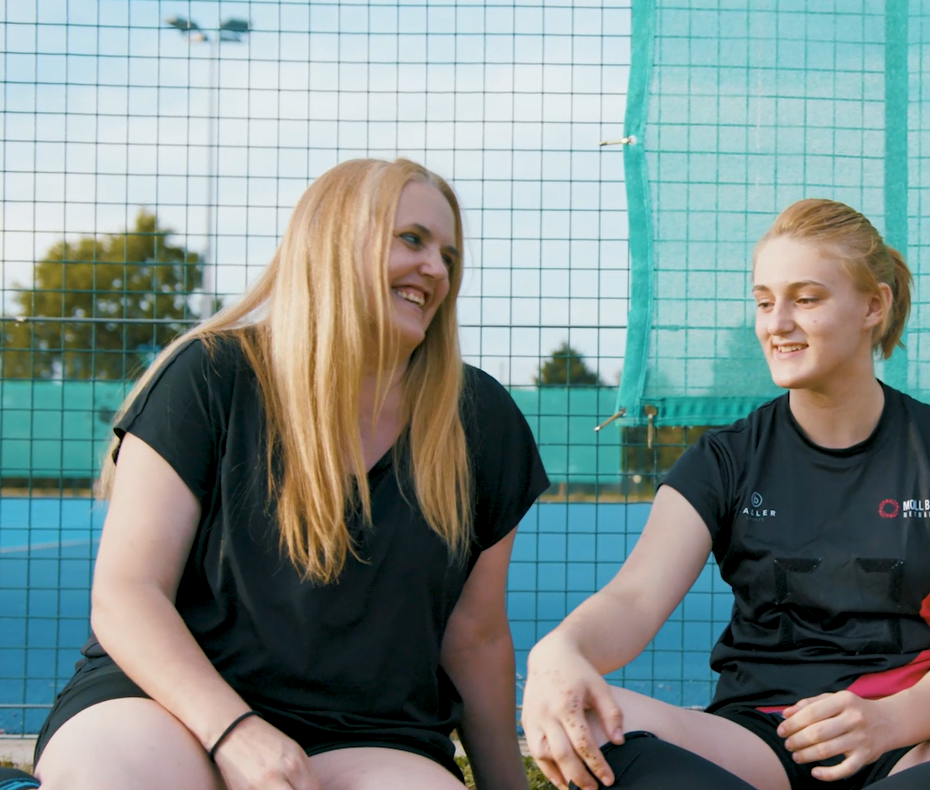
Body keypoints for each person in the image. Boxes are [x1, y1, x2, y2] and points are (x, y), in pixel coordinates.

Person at [520, 199, 930, 790]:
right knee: (586, 716)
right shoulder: (724, 458)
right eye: (764, 301)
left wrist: (882, 722)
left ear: (874, 304)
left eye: (806, 298)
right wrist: (558, 650)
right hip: (758, 746)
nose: (777, 323)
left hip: (909, 742)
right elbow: (633, 599)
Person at [33, 158, 547, 790]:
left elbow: (475, 637)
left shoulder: (480, 419)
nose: (437, 270)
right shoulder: (209, 376)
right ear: (335, 240)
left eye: (449, 254)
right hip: (171, 704)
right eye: (412, 240)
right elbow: (127, 595)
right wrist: (234, 733)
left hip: (370, 735)